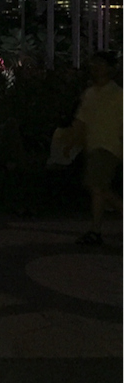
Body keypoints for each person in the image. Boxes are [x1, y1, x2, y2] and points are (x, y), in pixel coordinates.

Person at [68, 51, 124, 245]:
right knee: (98, 188)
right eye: (94, 64)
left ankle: (96, 230)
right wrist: (73, 141)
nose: (96, 67)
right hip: (93, 146)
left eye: (100, 64)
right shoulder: (90, 93)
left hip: (109, 146)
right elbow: (81, 120)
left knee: (96, 187)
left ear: (110, 68)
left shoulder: (118, 94)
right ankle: (96, 229)